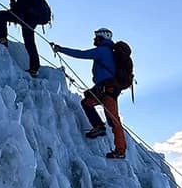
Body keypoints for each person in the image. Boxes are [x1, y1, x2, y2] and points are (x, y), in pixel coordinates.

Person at [51, 28, 127, 159]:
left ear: (101, 38)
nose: (94, 39)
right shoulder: (108, 51)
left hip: (108, 89)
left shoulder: (103, 50)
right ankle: (99, 127)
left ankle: (120, 150)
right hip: (104, 88)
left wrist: (61, 49)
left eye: (96, 37)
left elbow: (82, 54)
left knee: (114, 120)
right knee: (87, 103)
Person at [0, 0, 48, 77]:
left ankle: (2, 39)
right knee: (30, 44)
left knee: (1, 15)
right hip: (30, 20)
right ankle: (34, 68)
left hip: (26, 18)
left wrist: (12, 0)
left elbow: (18, 10)